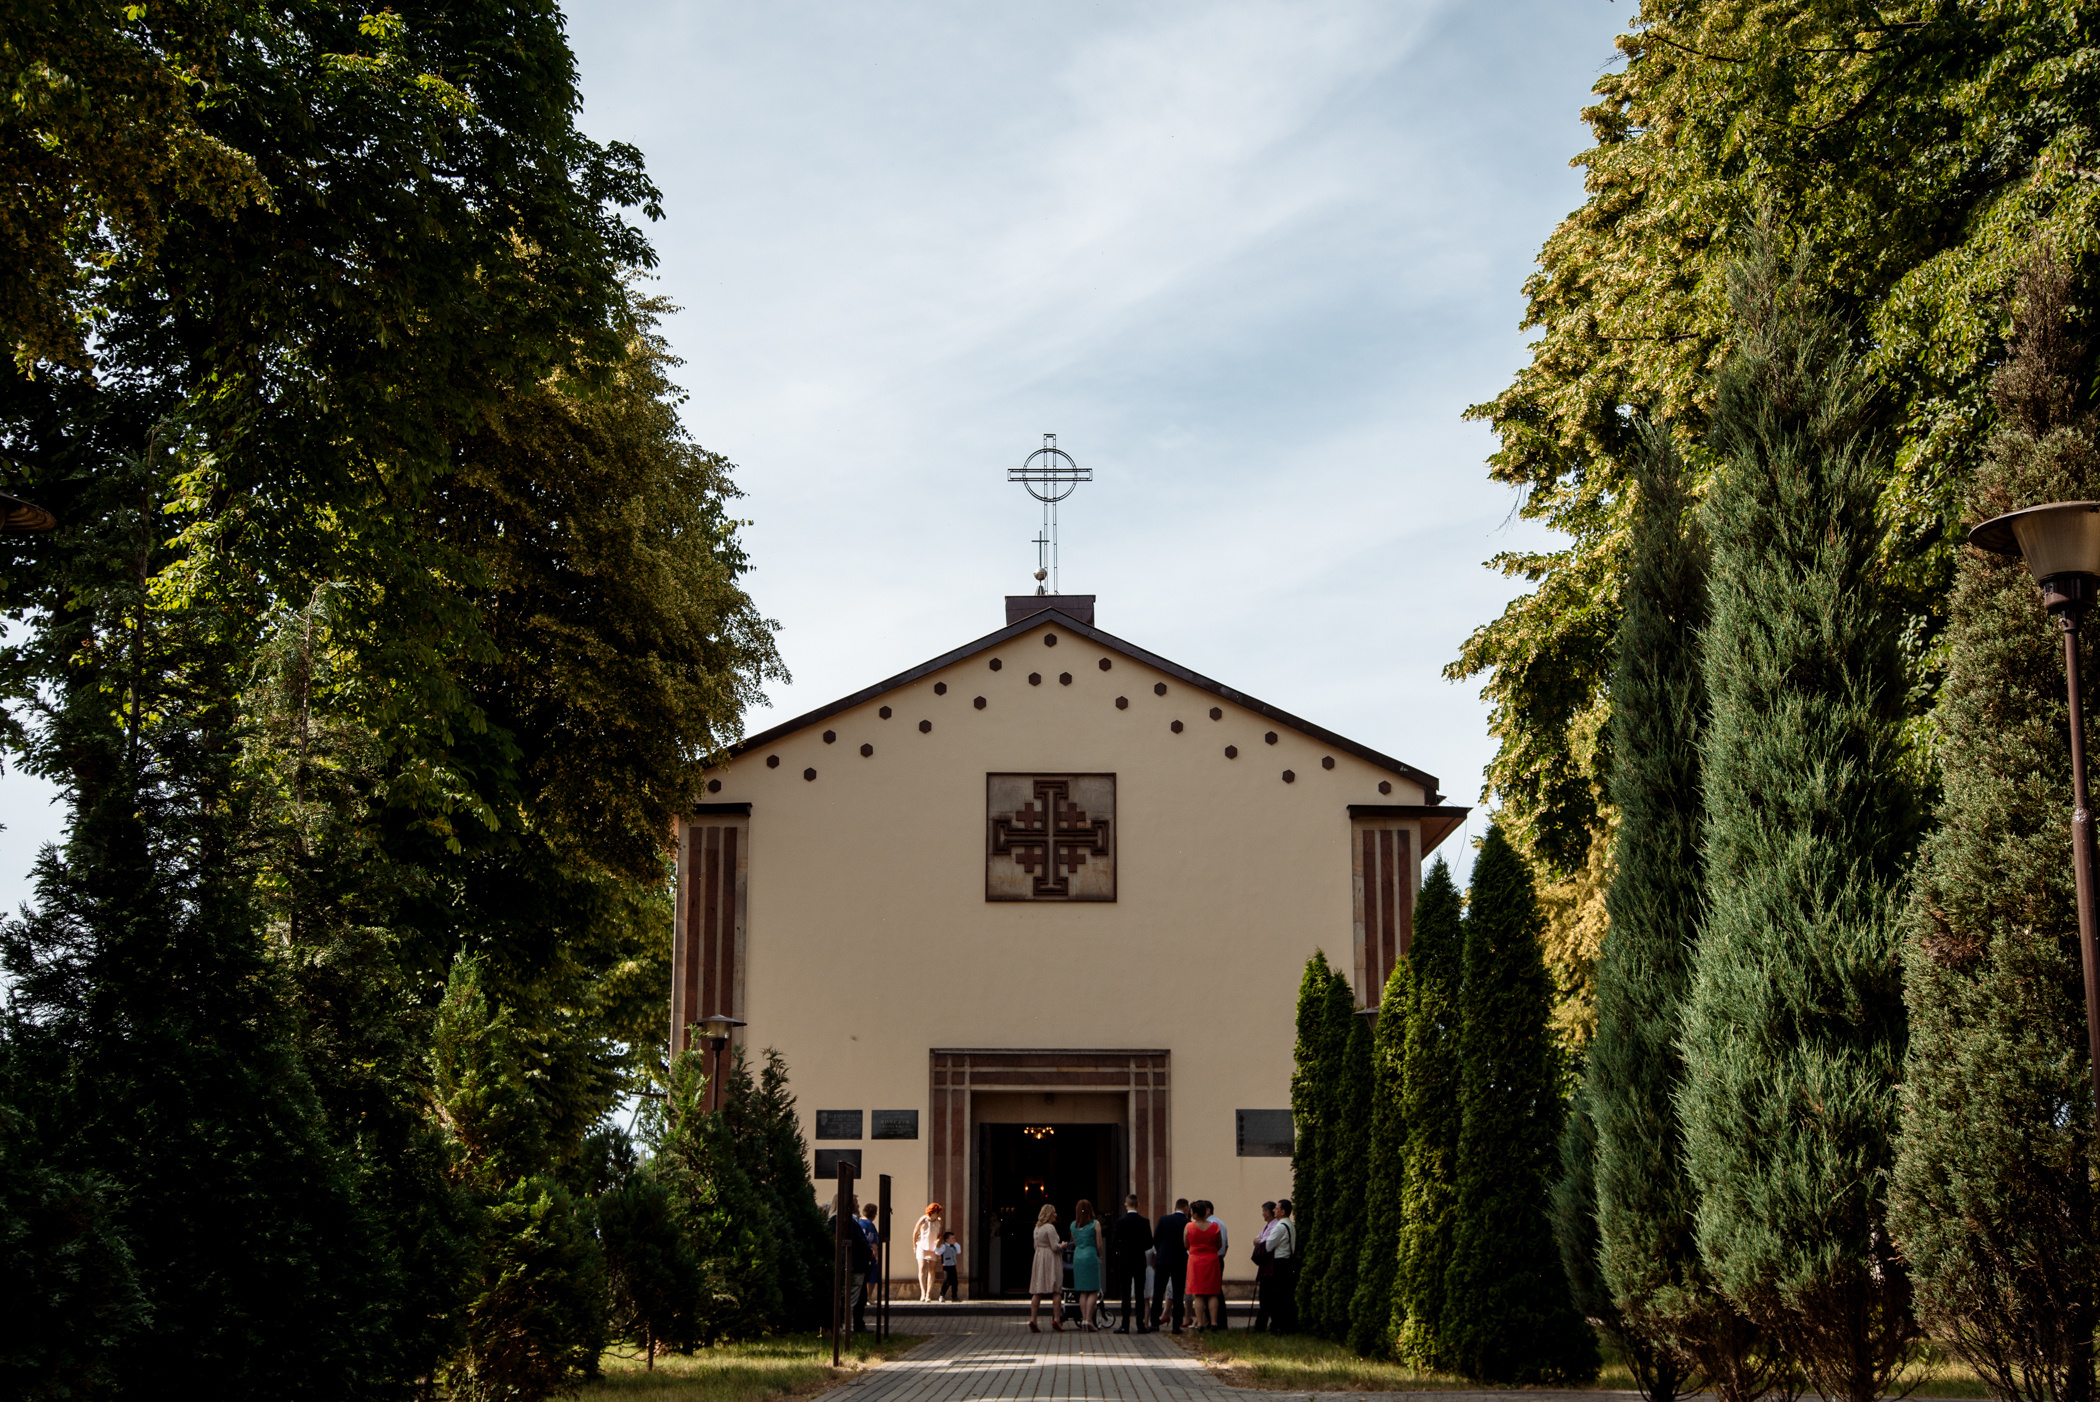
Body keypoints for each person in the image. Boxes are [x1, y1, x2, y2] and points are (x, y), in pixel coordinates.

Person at [1111, 1194, 1154, 1333]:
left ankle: (1125, 1324)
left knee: (1126, 1294)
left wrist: (1122, 1250)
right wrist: (1139, 1248)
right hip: (1139, 1260)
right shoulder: (1144, 1222)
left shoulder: (1120, 1222)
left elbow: (1114, 1243)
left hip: (1125, 1260)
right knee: (1140, 1294)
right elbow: (1149, 1243)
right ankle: (1140, 1325)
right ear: (1138, 1205)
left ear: (1126, 1204)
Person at [1184, 1199, 1224, 1331]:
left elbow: (1186, 1244)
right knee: (1213, 1293)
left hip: (1195, 1260)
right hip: (1212, 1259)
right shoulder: (1214, 1226)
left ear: (1195, 1214)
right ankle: (1214, 1323)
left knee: (1199, 1294)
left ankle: (1200, 1323)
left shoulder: (1189, 1227)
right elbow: (1219, 1244)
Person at [1152, 1198, 1190, 1333]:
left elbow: (1156, 1239)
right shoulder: (1187, 1222)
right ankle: (1176, 1325)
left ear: (1175, 1208)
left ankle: (1154, 1323)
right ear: (1186, 1208)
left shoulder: (1164, 1219)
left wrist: (1161, 1251)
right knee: (1178, 1293)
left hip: (1163, 1259)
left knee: (1158, 1291)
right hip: (1179, 1261)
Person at [1028, 1202, 1064, 1333]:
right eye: (1054, 1212)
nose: (1055, 1215)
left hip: (1039, 1257)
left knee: (1037, 1290)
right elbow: (1055, 1246)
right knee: (1056, 1289)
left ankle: (1033, 1319)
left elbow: (1035, 1246)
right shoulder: (1050, 1228)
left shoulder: (1037, 1228)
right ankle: (1056, 1320)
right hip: (1050, 1258)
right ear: (1049, 1214)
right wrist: (1063, 1246)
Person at [1071, 1199, 1105, 1330]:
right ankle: (1088, 1319)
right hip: (1090, 1255)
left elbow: (1075, 1242)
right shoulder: (1095, 1224)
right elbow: (1099, 1244)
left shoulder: (1073, 1225)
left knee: (1082, 1290)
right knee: (1093, 1289)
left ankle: (1084, 1318)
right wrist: (1099, 1255)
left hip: (1078, 1256)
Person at [1268, 1199, 1298, 1334]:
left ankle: (1277, 1325)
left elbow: (1269, 1245)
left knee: (1277, 1296)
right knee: (1287, 1295)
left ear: (1282, 1211)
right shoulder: (1291, 1226)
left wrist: (1258, 1241)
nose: (1274, 1210)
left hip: (1280, 1262)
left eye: (1276, 1208)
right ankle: (1288, 1325)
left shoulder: (1280, 1227)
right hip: (1289, 1261)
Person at [854, 1202, 882, 1333]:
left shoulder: (858, 1223)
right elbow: (873, 1242)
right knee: (868, 1281)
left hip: (859, 1258)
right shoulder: (870, 1226)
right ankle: (870, 1297)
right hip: (867, 1258)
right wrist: (875, 1256)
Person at [1251, 1202, 1278, 1332]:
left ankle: (1262, 1325)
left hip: (1269, 1266)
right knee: (1264, 1297)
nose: (1262, 1213)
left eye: (1263, 1211)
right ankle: (1263, 1325)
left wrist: (1258, 1241)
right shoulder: (1267, 1225)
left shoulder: (1275, 1226)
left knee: (1266, 1297)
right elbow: (1257, 1239)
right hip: (1265, 1266)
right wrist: (1258, 1241)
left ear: (1267, 1212)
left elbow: (1263, 1242)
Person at [912, 1203, 946, 1302]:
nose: (938, 1215)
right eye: (936, 1212)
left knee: (932, 1270)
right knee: (922, 1268)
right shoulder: (923, 1219)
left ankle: (928, 1294)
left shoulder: (939, 1221)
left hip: (933, 1248)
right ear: (931, 1212)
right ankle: (922, 1292)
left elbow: (941, 1234)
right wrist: (914, 1246)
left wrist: (939, 1241)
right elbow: (915, 1232)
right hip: (922, 1246)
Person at [938, 1231, 960, 1302]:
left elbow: (959, 1251)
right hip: (947, 1266)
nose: (954, 1240)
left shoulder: (954, 1246)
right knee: (947, 1281)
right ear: (947, 1240)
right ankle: (942, 1295)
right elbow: (938, 1252)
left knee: (955, 1282)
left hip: (953, 1265)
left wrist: (955, 1244)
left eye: (954, 1238)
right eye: (952, 1238)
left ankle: (954, 1296)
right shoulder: (944, 1246)